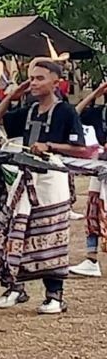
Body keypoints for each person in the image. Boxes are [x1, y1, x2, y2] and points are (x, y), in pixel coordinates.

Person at [0, 61, 84, 314]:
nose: (35, 83)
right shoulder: (28, 110)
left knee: (50, 235)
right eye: (32, 79)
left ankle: (54, 295)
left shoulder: (66, 111)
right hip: (26, 176)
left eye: (40, 78)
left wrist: (50, 146)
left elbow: (80, 148)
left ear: (55, 82)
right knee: (15, 232)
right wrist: (13, 94)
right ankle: (16, 288)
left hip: (52, 178)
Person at [71, 80, 107, 277]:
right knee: (93, 210)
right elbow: (74, 114)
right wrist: (95, 93)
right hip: (101, 164)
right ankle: (91, 259)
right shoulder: (99, 112)